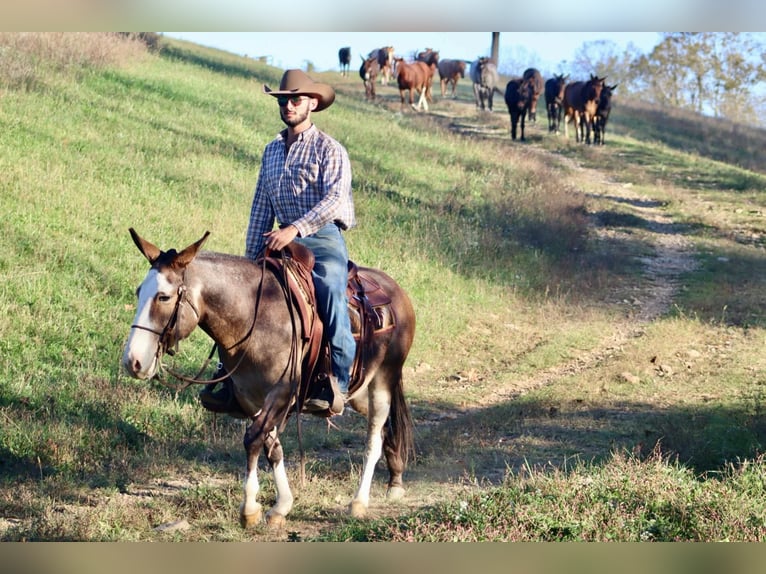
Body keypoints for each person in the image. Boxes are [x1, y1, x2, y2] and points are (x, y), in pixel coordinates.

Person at [199, 69, 356, 416]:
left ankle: (337, 381)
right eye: (283, 100)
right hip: (280, 238)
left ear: (312, 104)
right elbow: (260, 207)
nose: (288, 105)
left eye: (295, 99)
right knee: (244, 295)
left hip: (322, 237)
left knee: (329, 288)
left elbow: (333, 200)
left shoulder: (330, 150)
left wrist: (296, 229)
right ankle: (232, 376)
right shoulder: (271, 151)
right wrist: (249, 261)